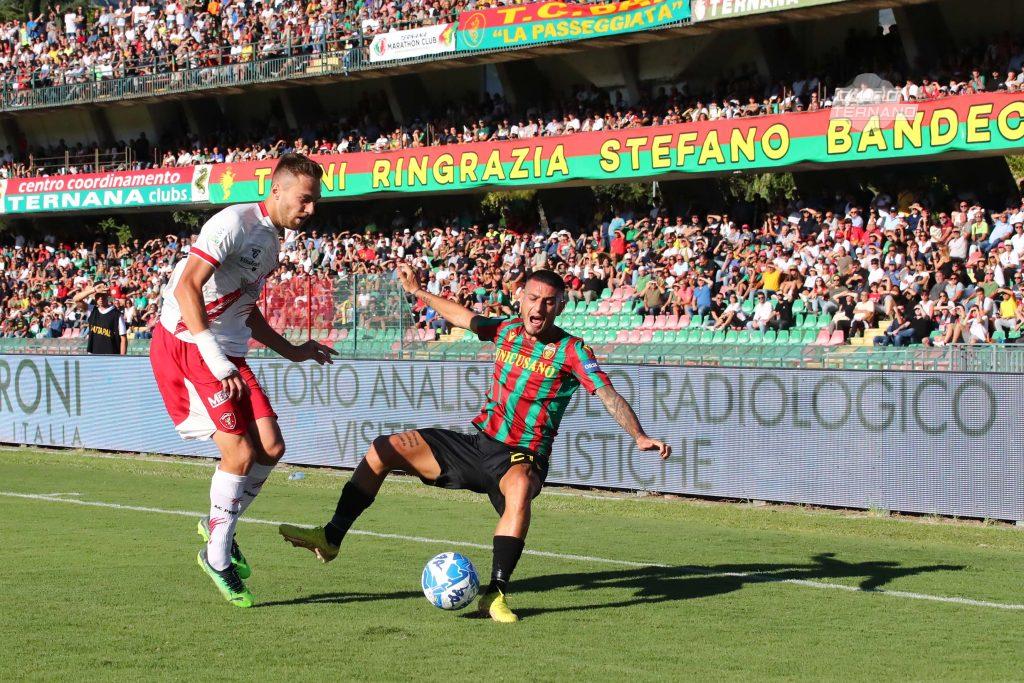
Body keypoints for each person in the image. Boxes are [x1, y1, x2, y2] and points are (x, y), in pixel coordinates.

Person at [279, 266, 671, 623]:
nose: (540, 308)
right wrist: (418, 290)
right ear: (521, 298)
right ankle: (331, 537)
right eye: (533, 299)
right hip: (477, 446)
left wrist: (638, 436)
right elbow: (460, 316)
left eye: (549, 302)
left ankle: (495, 594)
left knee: (518, 487)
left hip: (522, 456)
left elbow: (606, 392)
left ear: (559, 307)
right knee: (384, 448)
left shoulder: (572, 350)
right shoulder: (505, 331)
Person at [149, 153, 337, 608]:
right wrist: (216, 361)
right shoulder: (232, 222)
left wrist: (292, 350)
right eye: (305, 200)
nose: (310, 210)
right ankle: (216, 555)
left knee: (272, 448)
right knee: (240, 452)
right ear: (277, 190)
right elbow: (186, 288)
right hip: (190, 346)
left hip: (227, 349)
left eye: (315, 202)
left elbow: (244, 310)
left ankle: (218, 528)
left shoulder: (273, 240)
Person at [73, 282, 127, 354]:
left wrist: (122, 358)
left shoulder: (117, 314)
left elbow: (123, 338)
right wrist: (93, 290)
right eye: (98, 296)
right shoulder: (92, 310)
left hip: (112, 354)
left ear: (107, 295)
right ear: (95, 297)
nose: (100, 298)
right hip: (94, 354)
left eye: (103, 295)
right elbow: (76, 299)